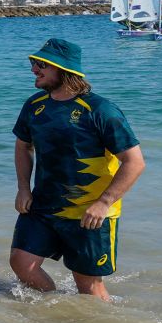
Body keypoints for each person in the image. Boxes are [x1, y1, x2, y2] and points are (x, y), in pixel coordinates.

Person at [11, 38, 146, 301]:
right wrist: (24, 188)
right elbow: (23, 147)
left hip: (90, 212)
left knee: (88, 287)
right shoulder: (34, 105)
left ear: (64, 69)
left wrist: (104, 203)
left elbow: (135, 162)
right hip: (43, 205)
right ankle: (57, 309)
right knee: (21, 262)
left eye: (41, 65)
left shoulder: (101, 110)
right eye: (33, 63)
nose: (33, 69)